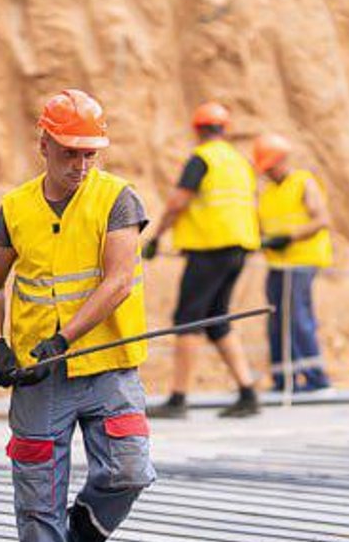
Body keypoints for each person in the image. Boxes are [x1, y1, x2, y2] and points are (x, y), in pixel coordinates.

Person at [0, 89, 155, 542]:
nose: (80, 165)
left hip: (107, 365)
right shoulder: (16, 208)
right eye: (69, 152)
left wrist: (66, 339)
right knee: (36, 503)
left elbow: (119, 280)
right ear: (44, 144)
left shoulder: (117, 199)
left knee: (129, 469)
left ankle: (81, 536)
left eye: (89, 154)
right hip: (39, 379)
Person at [141, 101, 261, 419]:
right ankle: (248, 392)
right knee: (217, 318)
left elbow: (178, 202)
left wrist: (155, 237)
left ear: (197, 130)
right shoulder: (239, 161)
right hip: (239, 248)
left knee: (188, 319)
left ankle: (178, 399)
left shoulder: (202, 159)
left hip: (210, 249)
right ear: (225, 130)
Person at [253, 133, 333, 392]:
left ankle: (316, 378)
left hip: (301, 261)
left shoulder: (303, 183)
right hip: (277, 264)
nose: (268, 173)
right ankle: (283, 378)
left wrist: (289, 238)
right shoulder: (268, 193)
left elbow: (321, 220)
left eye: (271, 167)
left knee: (297, 317)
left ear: (282, 160)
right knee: (276, 319)